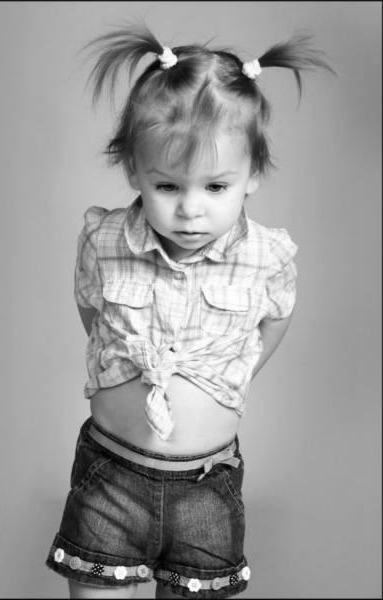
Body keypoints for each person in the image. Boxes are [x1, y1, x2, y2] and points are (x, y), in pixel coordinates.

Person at [46, 23, 334, 599]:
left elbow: (275, 317)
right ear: (134, 170)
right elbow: (93, 310)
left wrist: (234, 372)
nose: (191, 210)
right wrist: (126, 364)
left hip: (207, 487)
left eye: (216, 187)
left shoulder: (266, 256)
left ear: (253, 174)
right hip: (111, 476)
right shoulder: (104, 239)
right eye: (169, 187)